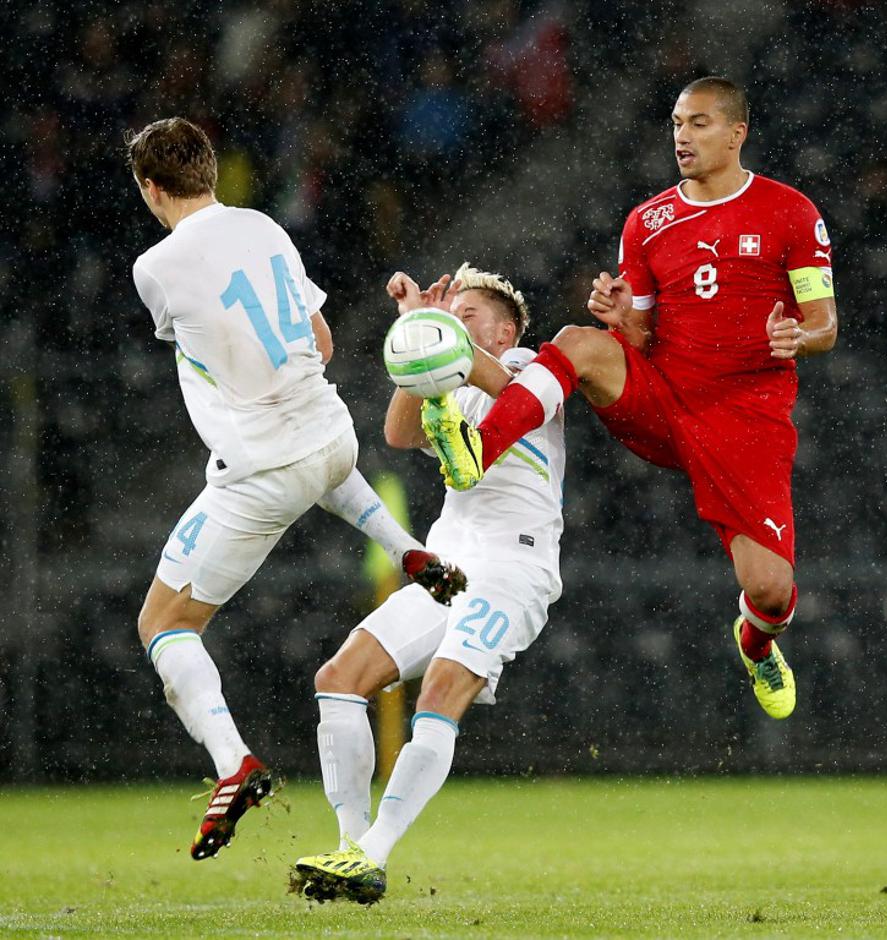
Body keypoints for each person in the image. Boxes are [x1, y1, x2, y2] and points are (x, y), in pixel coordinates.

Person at [422, 76, 838, 721]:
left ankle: (756, 644)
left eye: (699, 123)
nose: (682, 136)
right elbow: (640, 337)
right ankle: (478, 447)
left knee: (770, 589)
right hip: (665, 399)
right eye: (676, 123)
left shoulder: (789, 212)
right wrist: (621, 318)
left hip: (744, 420)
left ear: (737, 133)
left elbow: (825, 325)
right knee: (579, 342)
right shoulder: (648, 222)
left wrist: (797, 337)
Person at [126, 117, 465, 861]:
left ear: (151, 188)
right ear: (211, 169)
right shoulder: (264, 226)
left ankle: (233, 764)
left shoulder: (155, 266)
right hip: (332, 434)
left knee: (163, 625)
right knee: (322, 464)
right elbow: (323, 342)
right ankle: (406, 548)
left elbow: (199, 339)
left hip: (259, 468)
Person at [291, 263, 565, 904]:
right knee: (337, 678)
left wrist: (433, 327)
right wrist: (417, 336)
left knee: (440, 691)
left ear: (505, 331)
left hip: (513, 566)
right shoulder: (456, 386)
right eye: (454, 314)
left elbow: (497, 382)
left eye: (470, 317)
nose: (457, 324)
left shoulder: (530, 370)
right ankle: (352, 850)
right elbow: (398, 432)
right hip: (451, 566)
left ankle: (375, 850)